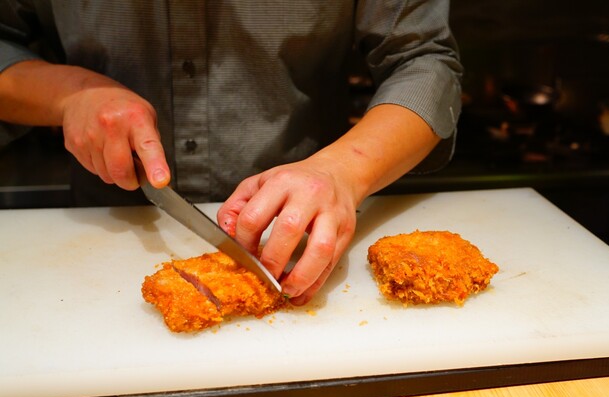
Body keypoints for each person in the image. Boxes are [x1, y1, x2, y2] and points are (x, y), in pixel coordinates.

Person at [0, 1, 462, 305]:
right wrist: (71, 95)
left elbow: (423, 59)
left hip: (308, 232)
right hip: (100, 237)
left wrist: (342, 171)